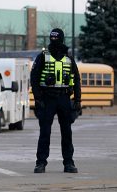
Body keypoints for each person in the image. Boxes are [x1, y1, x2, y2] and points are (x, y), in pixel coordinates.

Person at [30, 28, 81, 173]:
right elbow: (34, 78)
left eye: (56, 38)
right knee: (45, 132)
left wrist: (78, 99)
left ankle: (68, 163)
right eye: (53, 38)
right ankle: (40, 163)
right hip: (47, 98)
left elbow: (76, 79)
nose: (55, 41)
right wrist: (38, 98)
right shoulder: (43, 57)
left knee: (67, 132)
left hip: (64, 98)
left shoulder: (69, 59)